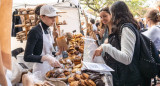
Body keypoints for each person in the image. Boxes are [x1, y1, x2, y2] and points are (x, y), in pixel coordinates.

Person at [93, 1, 147, 86]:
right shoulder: (123, 27)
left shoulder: (126, 28)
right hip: (124, 76)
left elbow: (127, 58)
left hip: (129, 78)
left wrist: (105, 46)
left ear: (115, 13)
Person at [24, 5, 61, 76]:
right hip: (40, 71)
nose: (53, 20)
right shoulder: (34, 31)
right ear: (42, 17)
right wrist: (46, 58)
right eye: (50, 17)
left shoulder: (48, 29)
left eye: (54, 17)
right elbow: (27, 57)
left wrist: (56, 53)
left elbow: (46, 51)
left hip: (50, 69)